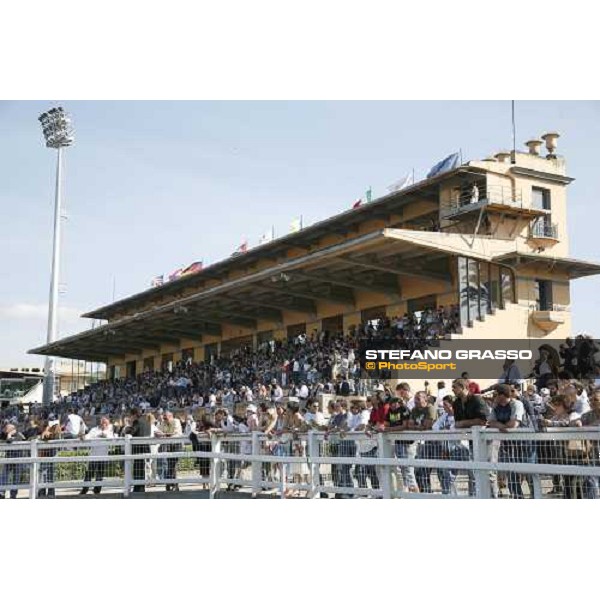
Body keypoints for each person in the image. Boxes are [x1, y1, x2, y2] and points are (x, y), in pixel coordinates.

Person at [487, 384, 528, 499]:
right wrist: (502, 426)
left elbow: (514, 424)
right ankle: (517, 496)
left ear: (502, 395)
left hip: (524, 442)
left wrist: (500, 426)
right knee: (511, 470)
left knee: (529, 472)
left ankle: (535, 496)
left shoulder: (516, 404)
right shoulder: (496, 406)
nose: (494, 397)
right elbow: (491, 422)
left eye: (495, 394)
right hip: (507, 442)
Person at [80, 416, 116, 495]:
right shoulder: (94, 430)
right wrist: (83, 437)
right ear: (101, 423)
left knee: (100, 475)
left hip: (103, 457)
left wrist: (105, 436)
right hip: (93, 456)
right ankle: (84, 490)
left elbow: (113, 440)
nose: (105, 424)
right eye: (103, 423)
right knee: (89, 474)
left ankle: (97, 491)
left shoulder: (109, 432)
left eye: (106, 423)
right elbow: (87, 436)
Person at [156, 410, 183, 492]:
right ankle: (172, 484)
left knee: (173, 464)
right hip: (168, 445)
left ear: (171, 416)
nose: (164, 420)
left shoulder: (176, 421)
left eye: (166, 418)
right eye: (164, 418)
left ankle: (172, 484)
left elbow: (175, 433)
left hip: (176, 445)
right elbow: (158, 431)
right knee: (169, 464)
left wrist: (163, 434)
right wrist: (162, 434)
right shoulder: (163, 422)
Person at [38, 418, 62, 498]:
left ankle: (50, 493)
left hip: (51, 454)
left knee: (49, 474)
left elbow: (56, 435)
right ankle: (43, 492)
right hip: (44, 454)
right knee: (44, 474)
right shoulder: (45, 430)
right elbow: (42, 437)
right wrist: (45, 431)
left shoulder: (56, 430)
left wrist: (48, 431)